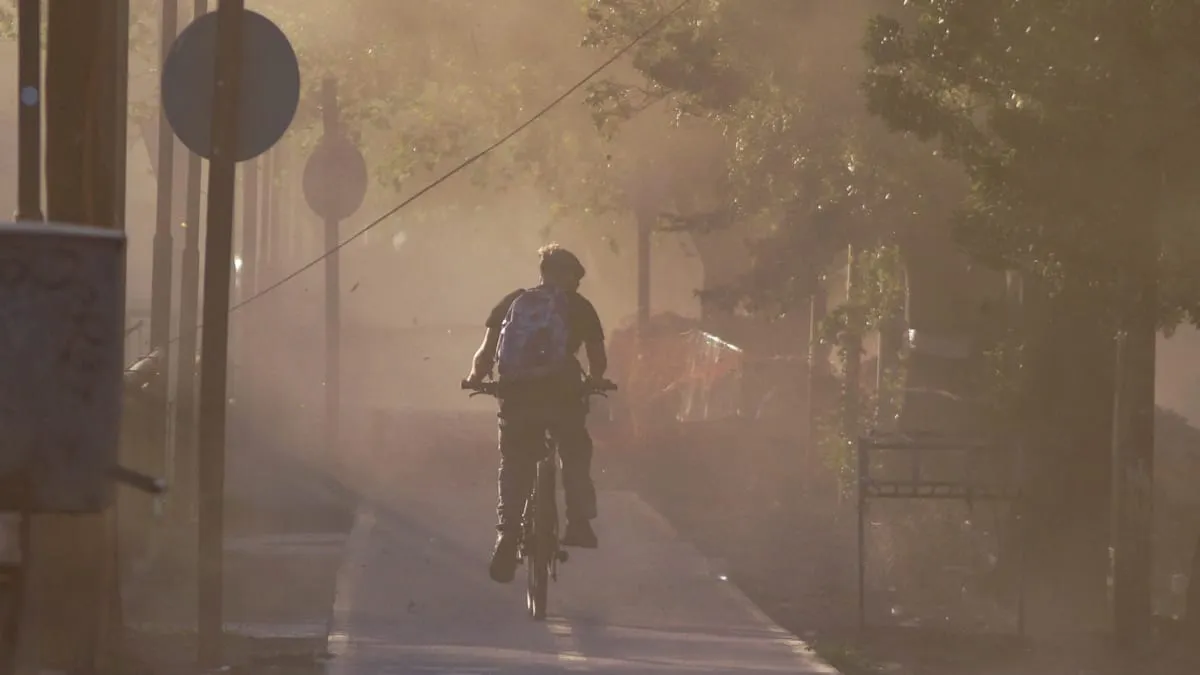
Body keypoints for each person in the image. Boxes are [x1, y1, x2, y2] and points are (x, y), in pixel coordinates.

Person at [464, 243, 609, 583]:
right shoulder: (580, 306)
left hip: (518, 396)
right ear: (569, 277)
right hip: (563, 395)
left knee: (515, 462)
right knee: (575, 449)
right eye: (575, 278)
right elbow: (598, 360)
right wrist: (598, 381)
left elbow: (486, 354)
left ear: (542, 273)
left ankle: (508, 532)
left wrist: (475, 379)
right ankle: (579, 522)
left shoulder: (514, 302)